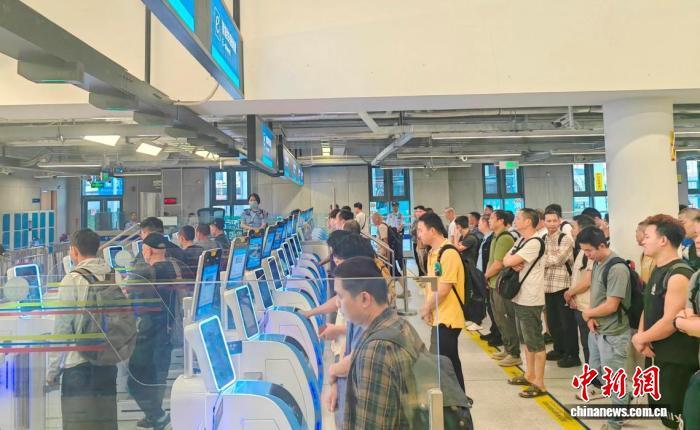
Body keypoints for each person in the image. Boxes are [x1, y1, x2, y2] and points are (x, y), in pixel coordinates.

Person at [339, 257, 424, 429]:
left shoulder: (376, 350)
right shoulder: (399, 325)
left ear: (364, 299)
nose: (337, 303)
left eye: (340, 296)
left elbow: (371, 424)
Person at [46, 229, 118, 430]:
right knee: (105, 423)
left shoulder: (72, 279)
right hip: (107, 361)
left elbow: (62, 329)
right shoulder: (114, 275)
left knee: (78, 423)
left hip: (78, 364)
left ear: (74, 251)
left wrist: (52, 371)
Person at [633, 214, 698, 429]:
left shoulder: (679, 274)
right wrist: (642, 336)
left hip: (676, 359)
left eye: (647, 236)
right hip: (657, 354)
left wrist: (641, 338)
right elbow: (648, 305)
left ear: (663, 240)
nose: (642, 240)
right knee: (662, 411)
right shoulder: (658, 268)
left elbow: (670, 321)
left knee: (676, 417)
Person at [128, 233, 186, 430]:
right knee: (158, 377)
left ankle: (157, 415)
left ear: (148, 251)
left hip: (148, 335)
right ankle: (154, 416)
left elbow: (132, 300)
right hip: (168, 331)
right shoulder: (173, 267)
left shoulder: (145, 273)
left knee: (134, 380)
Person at [579, 227, 631, 430]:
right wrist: (591, 316)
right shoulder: (597, 263)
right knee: (599, 374)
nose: (587, 255)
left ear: (602, 245)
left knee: (614, 378)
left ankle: (616, 421)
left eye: (589, 250)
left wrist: (588, 314)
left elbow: (611, 305)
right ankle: (625, 398)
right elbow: (598, 295)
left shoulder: (616, 268)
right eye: (584, 251)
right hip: (597, 329)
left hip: (613, 333)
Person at [417, 212, 466, 391]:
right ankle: (459, 398)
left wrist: (425, 309)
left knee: (441, 363)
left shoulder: (448, 253)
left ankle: (453, 399)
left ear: (432, 230)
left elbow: (444, 289)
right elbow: (433, 284)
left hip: (449, 318)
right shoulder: (433, 253)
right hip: (439, 315)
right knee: (449, 361)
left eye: (421, 230)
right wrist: (429, 309)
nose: (419, 235)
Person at [503, 208, 547, 398]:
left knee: (535, 341)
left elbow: (509, 260)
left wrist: (512, 261)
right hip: (520, 296)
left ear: (528, 222)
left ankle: (540, 383)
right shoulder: (521, 240)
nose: (516, 220)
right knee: (527, 340)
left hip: (531, 298)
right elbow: (506, 259)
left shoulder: (535, 242)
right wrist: (512, 262)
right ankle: (529, 374)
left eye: (519, 218)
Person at [563, 214, 599, 398]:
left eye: (574, 228)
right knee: (587, 345)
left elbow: (587, 281)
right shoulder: (582, 251)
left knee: (592, 348)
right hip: (580, 305)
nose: (572, 231)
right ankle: (592, 380)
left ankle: (597, 384)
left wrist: (569, 293)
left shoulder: (591, 254)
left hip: (588, 307)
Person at [541, 208, 579, 368]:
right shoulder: (543, 238)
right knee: (553, 322)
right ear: (544, 222)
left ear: (560, 221)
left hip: (563, 286)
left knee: (567, 323)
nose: (551, 224)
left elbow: (557, 259)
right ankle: (559, 349)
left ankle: (572, 355)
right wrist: (544, 258)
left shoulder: (565, 238)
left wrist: (540, 259)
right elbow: (546, 259)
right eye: (548, 221)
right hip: (547, 286)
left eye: (554, 220)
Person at [675, 230, 700, 430]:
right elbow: (688, 314)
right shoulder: (697, 277)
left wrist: (682, 323)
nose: (697, 240)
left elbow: (685, 319)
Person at [486, 210, 518, 360]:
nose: (489, 221)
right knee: (499, 319)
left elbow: (498, 264)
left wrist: (485, 276)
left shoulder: (504, 238)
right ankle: (507, 348)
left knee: (506, 319)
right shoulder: (495, 237)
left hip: (501, 285)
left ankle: (514, 353)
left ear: (500, 221)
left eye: (492, 218)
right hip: (494, 283)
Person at [411, 205, 428, 276]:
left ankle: (423, 275)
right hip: (416, 242)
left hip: (422, 244)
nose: (416, 213)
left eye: (418, 211)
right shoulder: (415, 221)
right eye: (416, 211)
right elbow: (412, 230)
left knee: (422, 260)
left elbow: (414, 231)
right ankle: (420, 274)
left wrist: (413, 231)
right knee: (418, 260)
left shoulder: (422, 221)